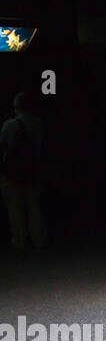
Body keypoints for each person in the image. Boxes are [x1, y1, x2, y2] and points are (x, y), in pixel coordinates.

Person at [1, 91, 47, 249]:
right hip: (33, 171)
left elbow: (3, 148)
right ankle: (38, 240)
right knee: (34, 207)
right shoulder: (38, 124)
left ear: (16, 106)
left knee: (15, 210)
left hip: (12, 174)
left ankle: (20, 241)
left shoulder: (9, 125)